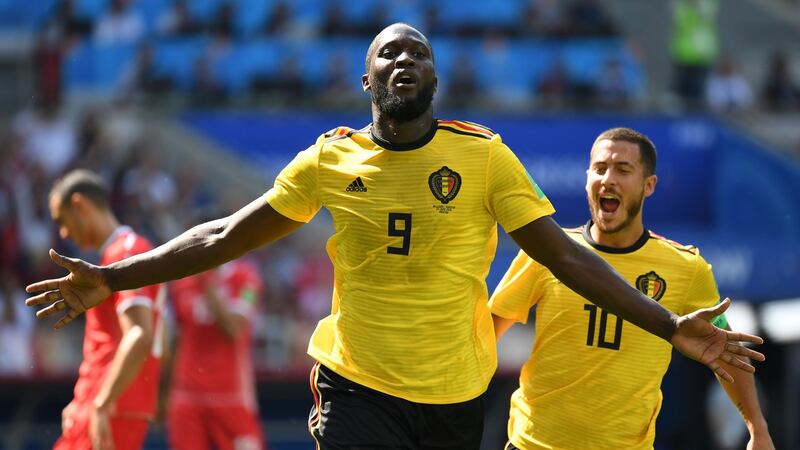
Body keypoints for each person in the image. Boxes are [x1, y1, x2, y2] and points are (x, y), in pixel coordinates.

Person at [27, 24, 764, 449]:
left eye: (419, 53)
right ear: (367, 80)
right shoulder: (330, 159)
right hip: (356, 385)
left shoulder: (484, 157)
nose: (405, 59)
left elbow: (566, 256)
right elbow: (223, 234)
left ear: (435, 78)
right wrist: (113, 278)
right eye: (389, 53)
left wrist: (668, 326)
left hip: (454, 397)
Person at [491, 128, 774, 450]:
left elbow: (725, 352)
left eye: (623, 170)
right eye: (600, 169)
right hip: (534, 444)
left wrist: (757, 427)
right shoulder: (547, 252)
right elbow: (486, 334)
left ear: (648, 185)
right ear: (586, 179)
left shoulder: (686, 267)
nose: (608, 179)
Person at [46, 169, 164, 450]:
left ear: (80, 205)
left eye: (62, 220)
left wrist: (101, 403)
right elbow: (162, 338)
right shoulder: (121, 255)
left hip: (111, 409)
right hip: (105, 403)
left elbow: (140, 334)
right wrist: (83, 401)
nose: (63, 232)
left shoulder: (127, 254)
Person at [166, 254, 266, 450]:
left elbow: (233, 328)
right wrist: (166, 393)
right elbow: (178, 339)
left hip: (231, 395)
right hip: (188, 395)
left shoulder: (248, 281)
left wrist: (206, 284)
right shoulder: (182, 283)